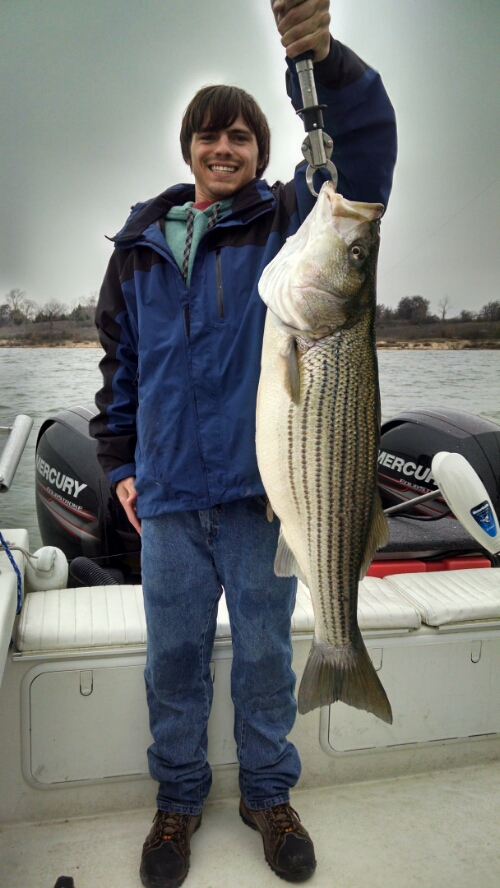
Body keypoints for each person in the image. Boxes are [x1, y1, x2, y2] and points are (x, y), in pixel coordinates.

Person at [90, 1, 397, 885]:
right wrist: (118, 467)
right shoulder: (139, 249)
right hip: (173, 502)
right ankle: (177, 803)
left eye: (241, 139)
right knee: (174, 663)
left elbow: (363, 156)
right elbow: (120, 367)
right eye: (209, 137)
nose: (224, 150)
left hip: (267, 498)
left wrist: (324, 61)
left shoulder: (289, 224)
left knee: (266, 660)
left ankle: (268, 792)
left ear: (262, 153)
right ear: (189, 147)